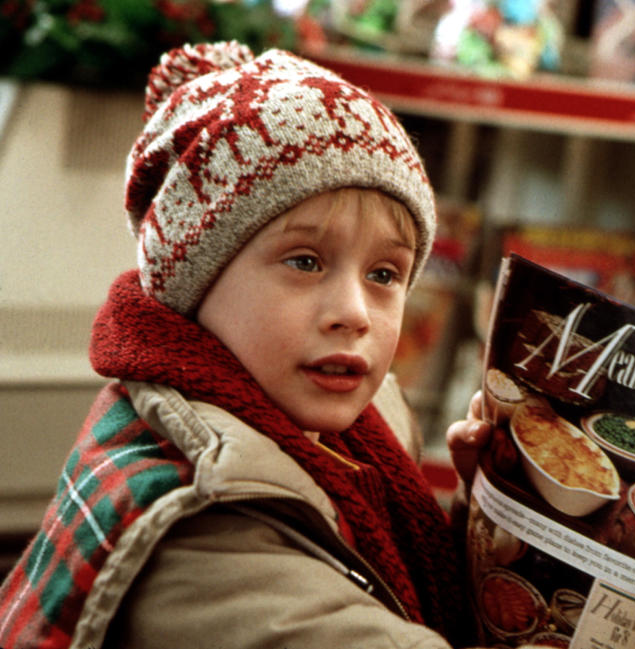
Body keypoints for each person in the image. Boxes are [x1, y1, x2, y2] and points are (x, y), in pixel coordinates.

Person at [0, 40, 490, 649]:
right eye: (305, 261)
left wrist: (498, 512)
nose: (354, 314)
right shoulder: (202, 523)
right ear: (194, 282)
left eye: (385, 275)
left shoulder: (363, 435)